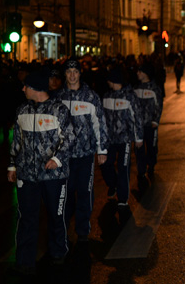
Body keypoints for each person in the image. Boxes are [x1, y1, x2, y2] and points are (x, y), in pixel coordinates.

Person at [7, 69, 74, 275]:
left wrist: (56, 159)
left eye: (26, 85)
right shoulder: (22, 110)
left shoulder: (58, 110)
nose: (23, 88)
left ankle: (58, 252)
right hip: (27, 175)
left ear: (35, 88)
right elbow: (16, 140)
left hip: (54, 176)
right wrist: (12, 166)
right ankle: (25, 260)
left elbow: (70, 138)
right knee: (26, 218)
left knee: (56, 215)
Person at [56, 57, 109, 244]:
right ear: (65, 74)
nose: (72, 75)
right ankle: (64, 229)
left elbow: (99, 124)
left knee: (85, 192)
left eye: (75, 72)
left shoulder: (91, 97)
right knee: (66, 193)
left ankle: (83, 231)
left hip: (85, 154)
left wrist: (102, 150)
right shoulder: (58, 97)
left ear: (80, 73)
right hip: (64, 157)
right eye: (69, 72)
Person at [100, 67, 143, 214]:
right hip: (109, 140)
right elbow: (101, 119)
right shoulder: (106, 96)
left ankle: (123, 199)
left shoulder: (129, 96)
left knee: (123, 168)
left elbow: (137, 116)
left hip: (124, 139)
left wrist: (138, 137)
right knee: (106, 164)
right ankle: (113, 184)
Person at [134, 62, 163, 181]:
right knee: (139, 149)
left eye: (140, 71)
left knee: (151, 147)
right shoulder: (135, 88)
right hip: (139, 126)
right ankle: (141, 171)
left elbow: (159, 106)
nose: (138, 73)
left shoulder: (155, 89)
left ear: (146, 74)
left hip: (150, 125)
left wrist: (155, 121)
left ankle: (151, 165)